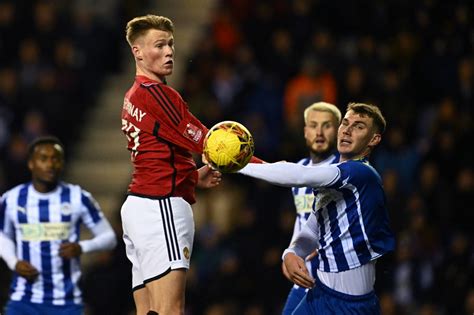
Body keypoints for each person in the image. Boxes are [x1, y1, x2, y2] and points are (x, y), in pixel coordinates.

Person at [121, 14, 262, 315]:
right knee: (170, 310)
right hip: (161, 206)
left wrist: (191, 176)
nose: (169, 51)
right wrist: (270, 169)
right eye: (159, 45)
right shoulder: (159, 94)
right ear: (138, 51)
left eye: (170, 44)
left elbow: (154, 155)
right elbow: (214, 144)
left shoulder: (133, 95)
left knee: (149, 311)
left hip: (138, 206)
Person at [239, 103, 395, 314]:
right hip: (320, 293)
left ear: (374, 139)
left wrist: (238, 163)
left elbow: (301, 175)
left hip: (351, 306)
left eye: (359, 127)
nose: (347, 130)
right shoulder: (333, 184)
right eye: (345, 123)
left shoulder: (362, 174)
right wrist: (292, 252)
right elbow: (312, 228)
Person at [0, 136, 117, 315]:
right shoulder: (12, 199)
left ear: (62, 163)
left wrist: (82, 247)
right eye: (44, 159)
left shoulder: (78, 197)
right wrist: (13, 262)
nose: (50, 164)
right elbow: (2, 235)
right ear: (31, 163)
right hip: (23, 300)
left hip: (67, 302)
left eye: (55, 158)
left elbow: (109, 238)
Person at [281, 101, 341, 315]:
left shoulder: (342, 171)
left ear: (338, 130)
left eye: (327, 125)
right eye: (313, 125)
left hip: (334, 278)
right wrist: (290, 252)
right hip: (305, 276)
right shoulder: (299, 170)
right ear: (305, 131)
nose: (319, 132)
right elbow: (301, 220)